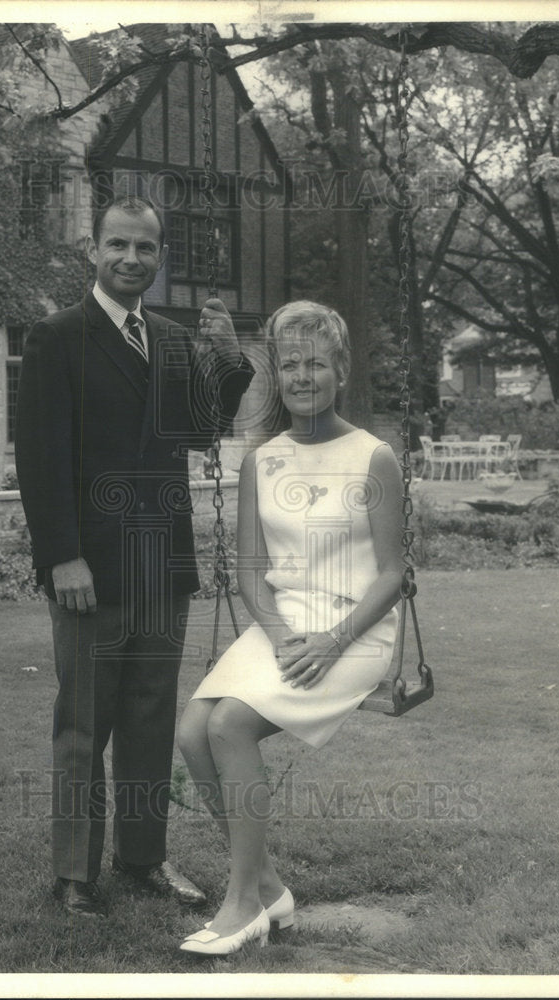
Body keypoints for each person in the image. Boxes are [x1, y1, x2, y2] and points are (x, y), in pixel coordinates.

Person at [15, 195, 254, 917]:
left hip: (162, 565)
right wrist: (62, 557)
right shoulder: (59, 337)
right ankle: (74, 875)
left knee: (151, 719)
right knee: (86, 720)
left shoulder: (174, 339)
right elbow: (41, 456)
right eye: (117, 245)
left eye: (145, 249)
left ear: (159, 257)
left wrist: (230, 357)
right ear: (93, 249)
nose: (131, 260)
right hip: (89, 565)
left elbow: (204, 426)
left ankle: (144, 858)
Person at [176, 301, 404, 955]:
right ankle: (271, 886)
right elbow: (251, 574)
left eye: (316, 363)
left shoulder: (374, 457)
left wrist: (332, 642)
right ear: (276, 375)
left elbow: (392, 574)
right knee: (193, 732)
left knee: (229, 724)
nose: (303, 377)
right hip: (283, 624)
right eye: (290, 365)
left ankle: (242, 903)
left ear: (340, 370)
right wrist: (280, 637)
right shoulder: (262, 461)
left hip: (356, 630)